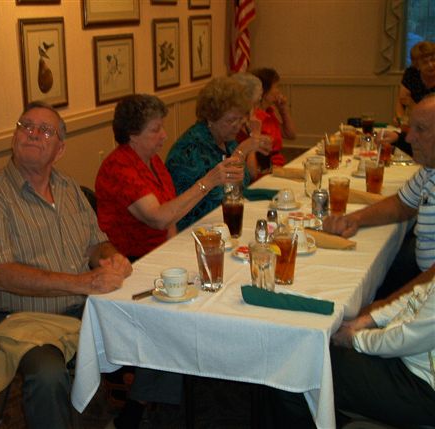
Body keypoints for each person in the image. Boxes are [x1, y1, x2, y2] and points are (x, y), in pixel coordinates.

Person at [0, 101, 132, 428]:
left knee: (145, 326)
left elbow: (94, 243)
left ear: (59, 149)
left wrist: (110, 258)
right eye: (25, 126)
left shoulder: (69, 188)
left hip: (79, 308)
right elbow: (2, 276)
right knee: (48, 374)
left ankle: (126, 413)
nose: (32, 134)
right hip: (20, 318)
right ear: (14, 137)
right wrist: (83, 283)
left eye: (45, 130)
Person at [95, 93, 244, 259]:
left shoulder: (152, 159)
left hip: (161, 252)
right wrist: (207, 182)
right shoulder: (119, 167)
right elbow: (159, 219)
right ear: (133, 135)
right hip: (132, 261)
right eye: (155, 130)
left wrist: (174, 252)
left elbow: (170, 215)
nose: (164, 135)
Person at [272, 280, 435, 427]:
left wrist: (354, 339)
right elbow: (418, 297)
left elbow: (405, 339)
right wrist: (366, 320)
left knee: (295, 365)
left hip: (422, 388)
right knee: (308, 354)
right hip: (409, 364)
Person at [322, 95, 435, 307]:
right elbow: (402, 205)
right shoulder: (430, 169)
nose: (409, 139)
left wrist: (385, 307)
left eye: (420, 129)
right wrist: (354, 219)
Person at [165, 77, 272, 231]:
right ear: (210, 118)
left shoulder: (225, 140)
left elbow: (244, 182)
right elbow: (219, 196)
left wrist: (245, 150)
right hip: (195, 226)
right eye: (230, 120)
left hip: (223, 220)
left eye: (240, 119)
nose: (237, 126)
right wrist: (241, 152)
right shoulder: (191, 149)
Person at [251, 67, 297, 167]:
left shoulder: (269, 112)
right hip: (267, 167)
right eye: (276, 87)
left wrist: (283, 110)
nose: (278, 91)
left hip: (279, 164)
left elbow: (291, 134)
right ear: (264, 91)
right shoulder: (256, 117)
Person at [396, 41, 435, 121]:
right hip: (418, 123)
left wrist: (412, 104)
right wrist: (400, 119)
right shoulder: (411, 74)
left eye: (433, 60)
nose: (431, 65)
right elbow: (402, 100)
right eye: (425, 62)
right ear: (417, 65)